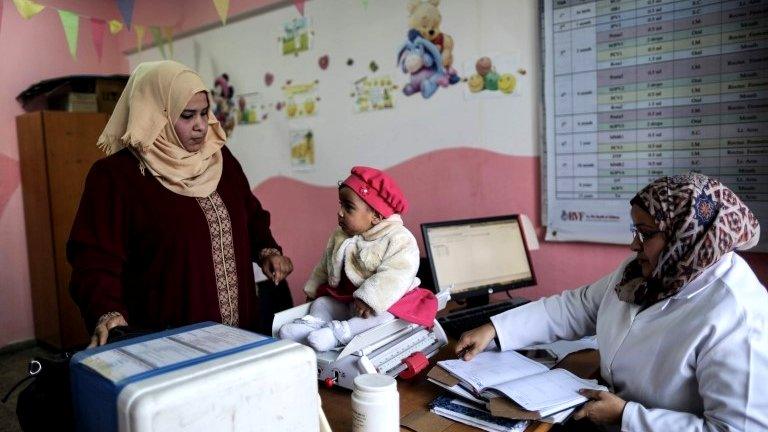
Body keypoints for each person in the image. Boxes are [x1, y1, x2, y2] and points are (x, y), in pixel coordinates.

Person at [456, 173, 767, 431]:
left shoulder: (738, 315)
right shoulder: (646, 272)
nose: (634, 244)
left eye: (645, 233)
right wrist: (495, 329)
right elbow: (578, 307)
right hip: (599, 410)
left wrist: (627, 416)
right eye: (635, 231)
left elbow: (737, 429)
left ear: (685, 235)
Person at [68, 61, 293, 348]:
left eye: (204, 113)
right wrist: (106, 311)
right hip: (169, 338)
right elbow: (94, 260)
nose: (201, 125)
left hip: (242, 330)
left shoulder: (220, 159)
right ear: (155, 115)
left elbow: (250, 215)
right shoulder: (116, 177)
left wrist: (267, 250)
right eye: (187, 116)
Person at [278, 166, 437, 351]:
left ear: (376, 216)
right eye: (340, 204)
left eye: (348, 207)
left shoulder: (399, 238)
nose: (340, 212)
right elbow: (324, 266)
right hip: (350, 299)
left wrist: (370, 298)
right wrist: (312, 291)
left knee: (385, 316)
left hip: (387, 300)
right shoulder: (340, 235)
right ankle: (313, 324)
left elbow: (397, 273)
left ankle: (340, 333)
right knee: (322, 303)